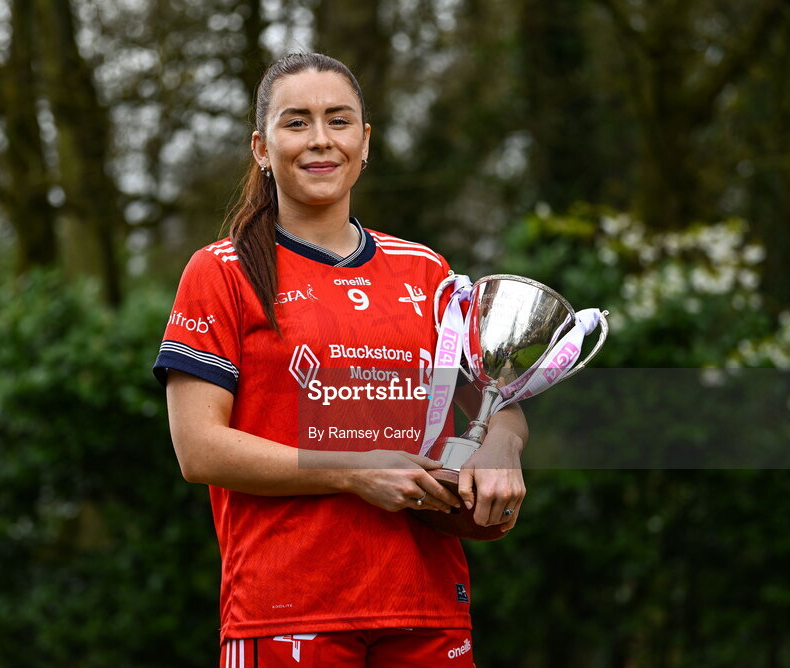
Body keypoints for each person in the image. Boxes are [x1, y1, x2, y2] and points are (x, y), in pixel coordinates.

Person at [153, 52, 528, 667]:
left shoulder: (425, 270)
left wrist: (500, 449)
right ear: (261, 148)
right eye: (295, 122)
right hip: (287, 609)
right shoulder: (222, 271)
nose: (320, 140)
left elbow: (496, 399)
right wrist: (356, 470)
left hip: (427, 606)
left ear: (366, 141)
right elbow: (199, 449)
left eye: (339, 120)